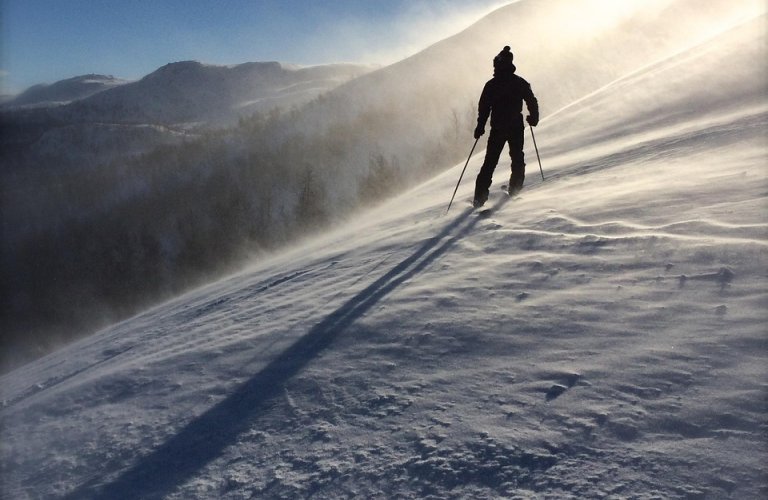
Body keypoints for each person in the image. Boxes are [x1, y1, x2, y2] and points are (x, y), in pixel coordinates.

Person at [473, 46, 539, 207]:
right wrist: (533, 117)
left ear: (497, 65)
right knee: (517, 158)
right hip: (516, 126)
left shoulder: (491, 85)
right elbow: (531, 100)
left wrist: (480, 126)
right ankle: (515, 190)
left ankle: (479, 198)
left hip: (498, 128)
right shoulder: (519, 82)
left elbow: (484, 108)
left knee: (490, 162)